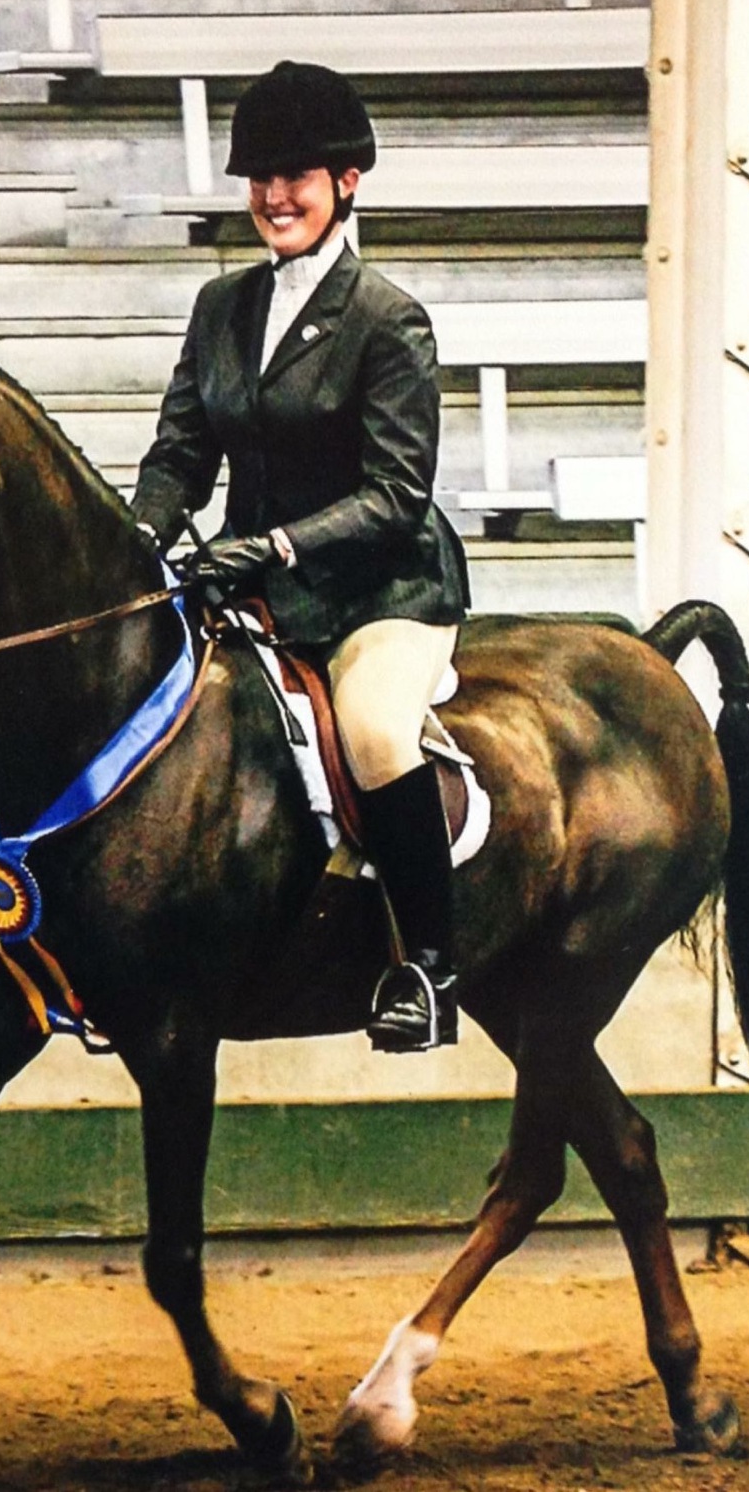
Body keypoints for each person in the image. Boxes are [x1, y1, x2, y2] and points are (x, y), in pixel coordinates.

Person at [129, 60, 470, 1054]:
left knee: (369, 730)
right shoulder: (220, 308)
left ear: (347, 181)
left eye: (299, 176)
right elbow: (181, 453)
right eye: (262, 177)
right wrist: (141, 539)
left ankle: (429, 970)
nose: (277, 196)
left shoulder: (388, 319)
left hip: (382, 588)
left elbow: (397, 495)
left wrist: (271, 545)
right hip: (255, 587)